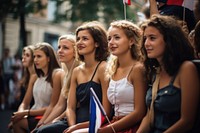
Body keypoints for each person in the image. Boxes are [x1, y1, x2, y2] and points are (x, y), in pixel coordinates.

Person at [36, 21, 110, 133]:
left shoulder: (103, 68)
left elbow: (106, 112)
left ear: (97, 43)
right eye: (78, 39)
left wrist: (76, 128)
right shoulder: (76, 71)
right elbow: (70, 107)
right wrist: (72, 126)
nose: (79, 42)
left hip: (94, 124)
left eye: (85, 39)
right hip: (73, 121)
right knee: (42, 131)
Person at [137, 14, 199, 133]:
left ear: (169, 40)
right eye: (145, 38)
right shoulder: (156, 71)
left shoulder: (186, 69)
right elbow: (149, 116)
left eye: (152, 38)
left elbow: (187, 121)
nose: (146, 43)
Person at [96, 20, 147, 133]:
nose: (111, 42)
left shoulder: (137, 69)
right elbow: (107, 112)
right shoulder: (112, 70)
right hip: (113, 123)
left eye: (117, 37)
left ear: (131, 41)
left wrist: (109, 129)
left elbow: (139, 112)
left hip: (132, 126)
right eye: (109, 39)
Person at [31, 34, 80, 132]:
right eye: (59, 47)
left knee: (42, 130)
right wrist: (44, 122)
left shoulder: (78, 72)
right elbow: (60, 104)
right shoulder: (65, 74)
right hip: (65, 116)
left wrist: (51, 121)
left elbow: (73, 107)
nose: (60, 51)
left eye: (65, 48)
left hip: (76, 118)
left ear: (75, 52)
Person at [12, 42, 63, 133]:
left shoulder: (57, 74)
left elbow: (53, 105)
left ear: (48, 58)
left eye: (39, 56)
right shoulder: (35, 77)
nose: (35, 60)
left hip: (46, 116)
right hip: (32, 113)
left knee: (18, 123)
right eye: (34, 56)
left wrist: (25, 113)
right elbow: (25, 102)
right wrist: (19, 114)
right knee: (16, 122)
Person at [8, 45, 36, 130]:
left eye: (27, 55)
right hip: (25, 111)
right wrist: (18, 115)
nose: (23, 57)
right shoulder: (26, 76)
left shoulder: (36, 77)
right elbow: (24, 102)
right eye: (23, 55)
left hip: (33, 112)